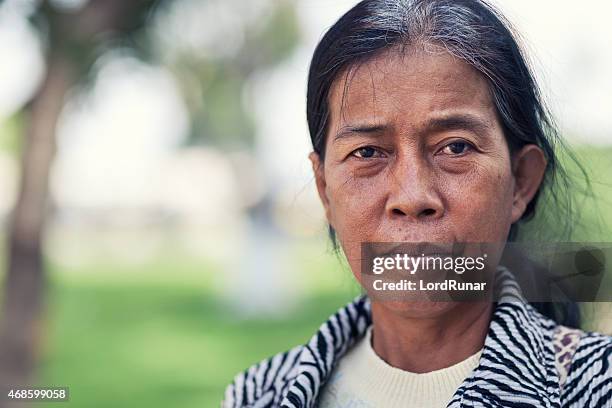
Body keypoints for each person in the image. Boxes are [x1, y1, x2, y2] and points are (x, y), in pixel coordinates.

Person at [222, 0, 612, 407]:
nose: (412, 197)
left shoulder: (596, 387)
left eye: (455, 147)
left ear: (521, 183)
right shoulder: (259, 395)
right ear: (324, 190)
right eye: (368, 153)